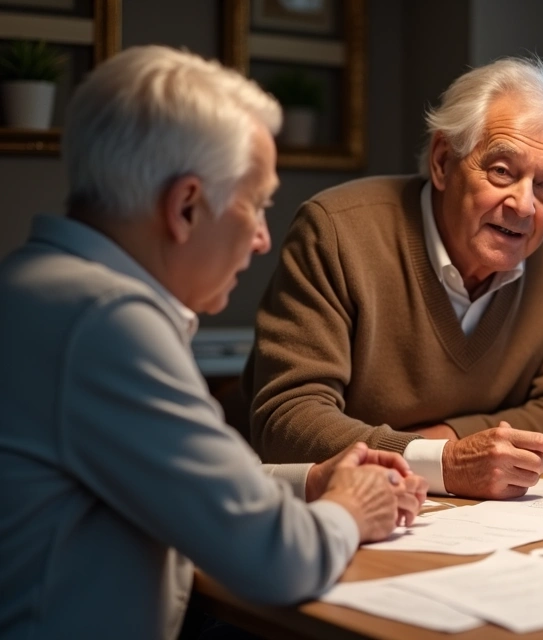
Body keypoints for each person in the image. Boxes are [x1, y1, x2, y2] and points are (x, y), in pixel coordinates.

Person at [0, 46, 427, 639]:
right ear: (186, 206)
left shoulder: (37, 289)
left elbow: (185, 483)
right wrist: (353, 509)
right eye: (256, 205)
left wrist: (311, 483)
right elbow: (278, 559)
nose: (260, 239)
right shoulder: (106, 322)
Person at [243, 57, 543, 499]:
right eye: (502, 171)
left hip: (485, 517)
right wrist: (443, 463)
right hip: (320, 508)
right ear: (441, 162)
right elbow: (288, 418)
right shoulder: (336, 231)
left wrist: (444, 442)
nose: (525, 206)